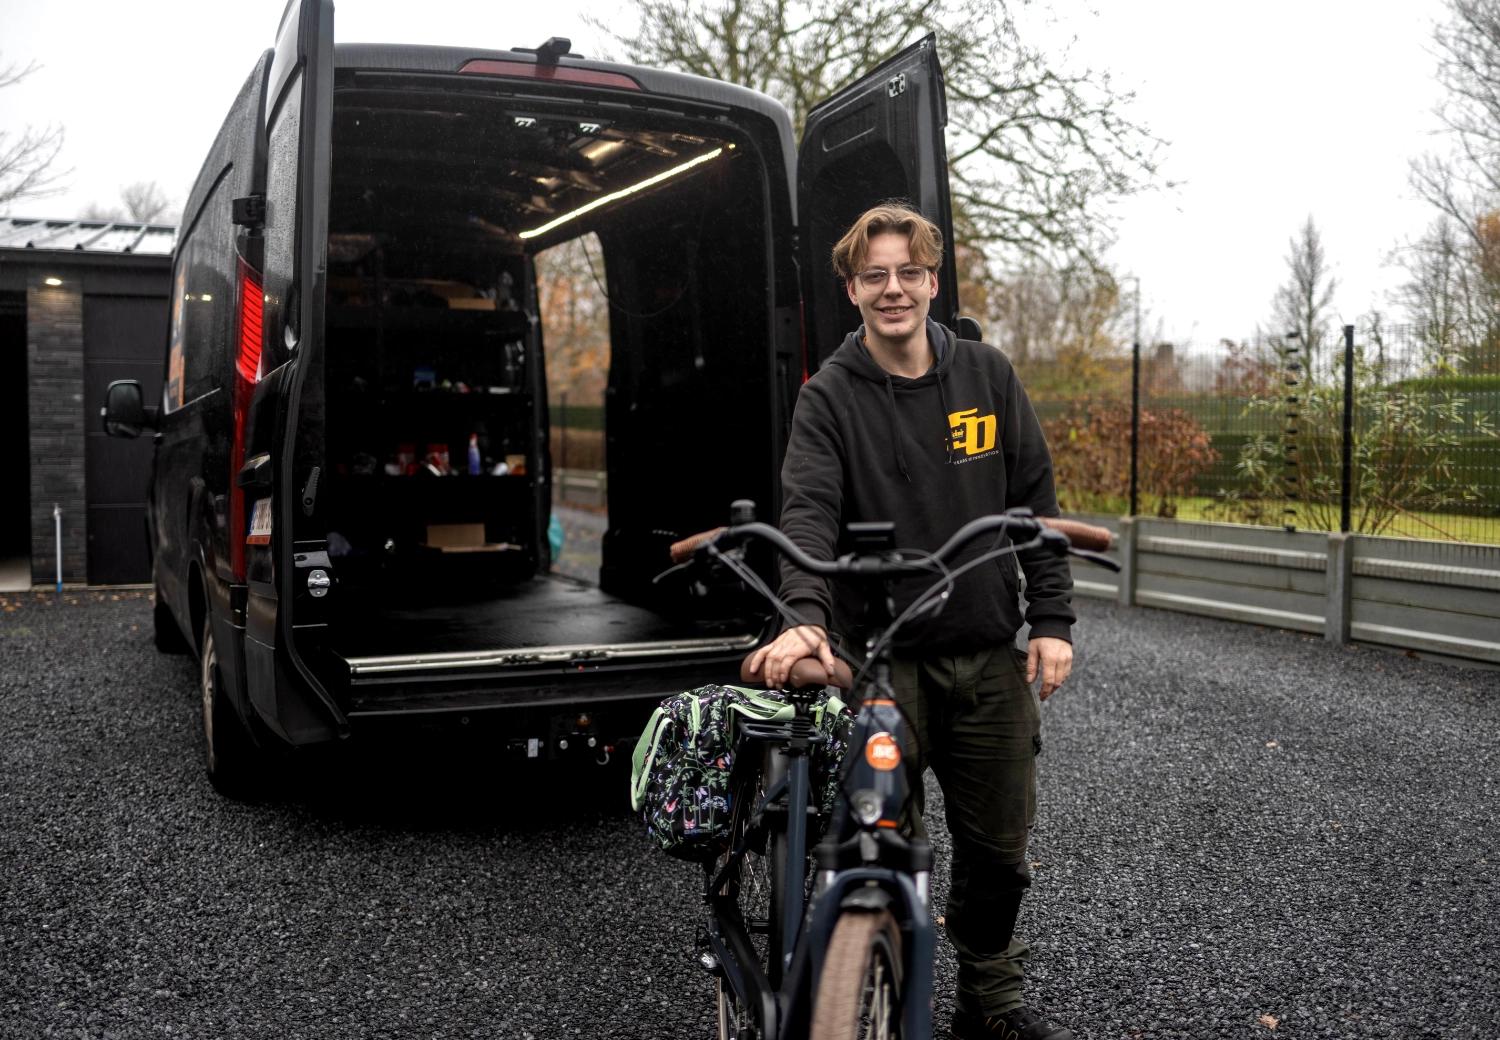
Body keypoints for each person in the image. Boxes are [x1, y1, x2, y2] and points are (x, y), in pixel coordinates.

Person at [746, 202, 1078, 1040]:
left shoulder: (988, 376)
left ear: (933, 281)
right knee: (886, 844)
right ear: (852, 289)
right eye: (874, 275)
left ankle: (988, 996)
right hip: (880, 663)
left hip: (985, 655)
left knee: (1000, 855)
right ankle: (884, 997)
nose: (893, 289)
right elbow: (810, 512)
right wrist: (807, 621)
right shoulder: (829, 398)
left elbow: (1032, 504)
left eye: (908, 273)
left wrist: (1052, 620)